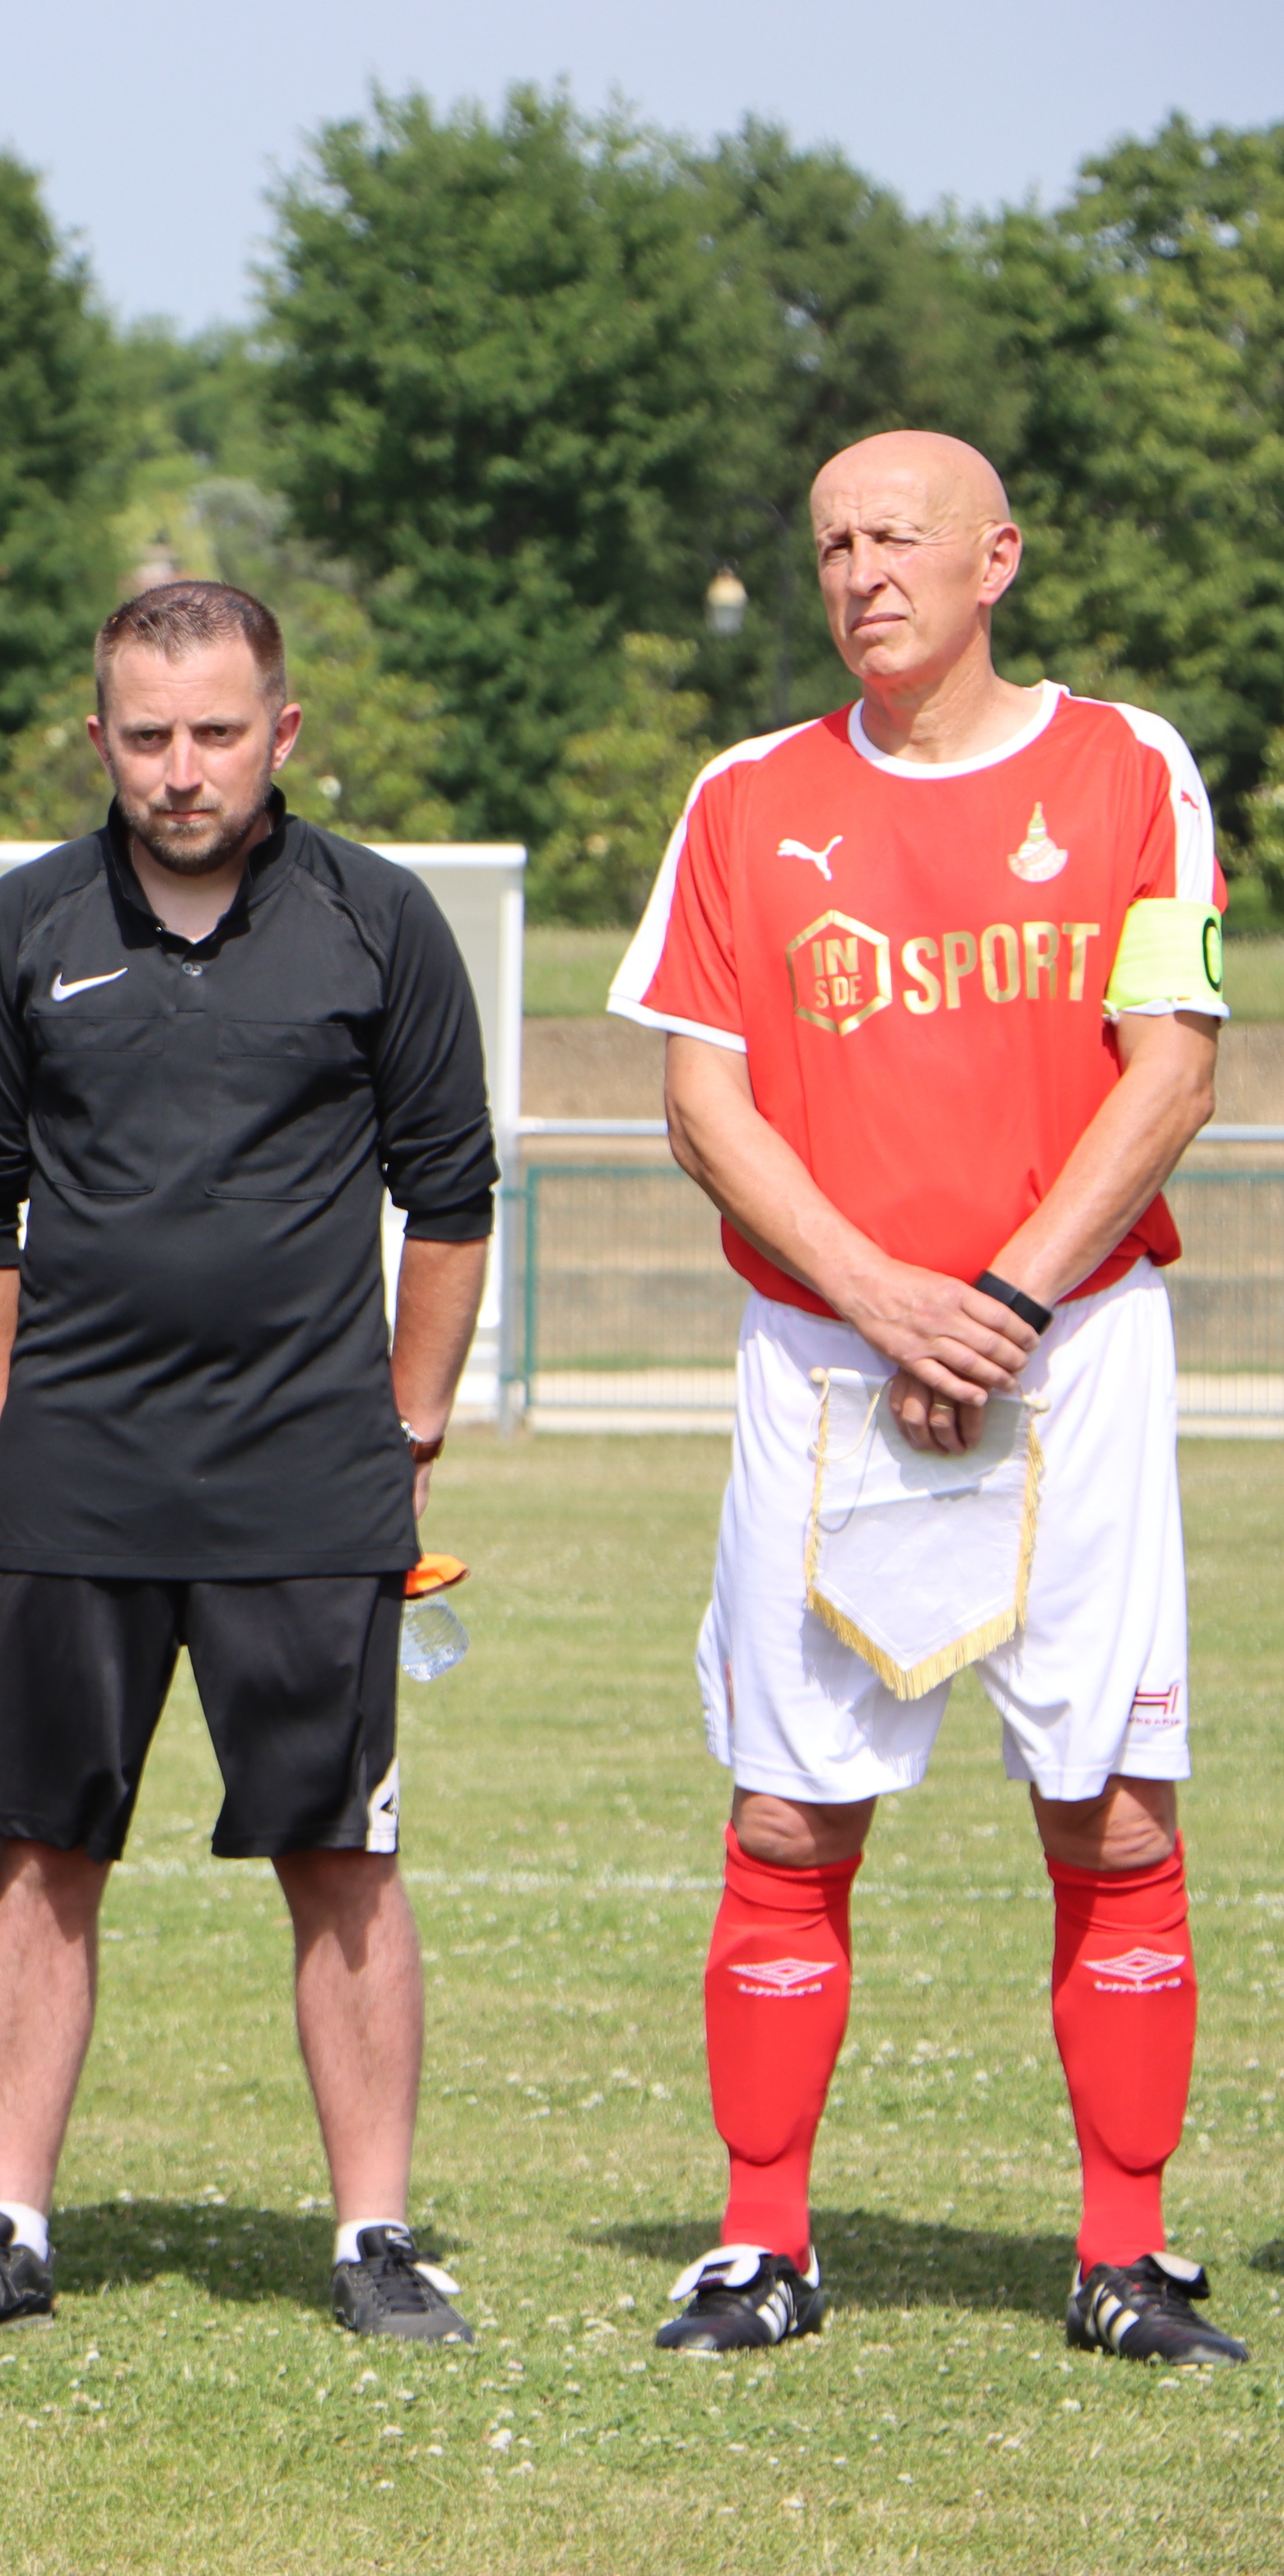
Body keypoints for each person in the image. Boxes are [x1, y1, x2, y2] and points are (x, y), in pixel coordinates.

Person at [610, 431, 1240, 2365]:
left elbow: (1173, 1065)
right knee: (788, 1817)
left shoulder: (1127, 767)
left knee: (1115, 1807)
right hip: (823, 1359)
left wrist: (996, 1296)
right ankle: (758, 2241)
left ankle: (1120, 2252)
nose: (859, 570)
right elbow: (701, 1093)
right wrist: (885, 1294)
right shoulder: (746, 796)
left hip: (1073, 1355)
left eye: (895, 536)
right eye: (829, 544)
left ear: (996, 560)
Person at [0, 580, 495, 2346]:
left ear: (281, 731)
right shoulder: (21, 925)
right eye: (145, 734)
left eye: (215, 731)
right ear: (99, 738)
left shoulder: (379, 923)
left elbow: (448, 1196)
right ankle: (4, 2221)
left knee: (342, 1856)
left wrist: (409, 1419)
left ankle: (375, 2236)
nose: (180, 766)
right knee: (38, 1847)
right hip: (72, 1469)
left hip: (309, 1475)